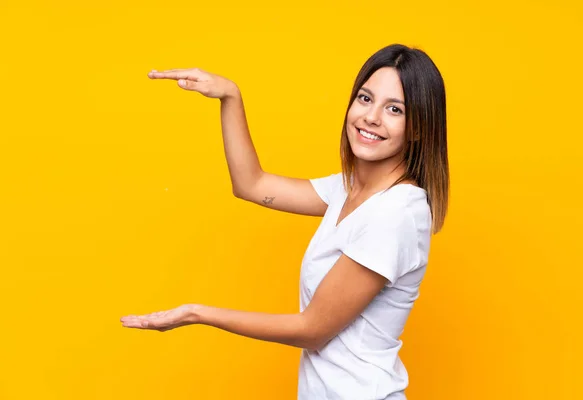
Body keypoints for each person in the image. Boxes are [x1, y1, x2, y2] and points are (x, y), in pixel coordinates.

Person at [121, 43, 449, 399]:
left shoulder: (396, 213)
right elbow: (252, 185)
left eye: (395, 109)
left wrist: (198, 314)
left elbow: (312, 330)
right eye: (365, 99)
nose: (371, 117)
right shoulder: (349, 188)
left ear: (418, 129)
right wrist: (230, 97)